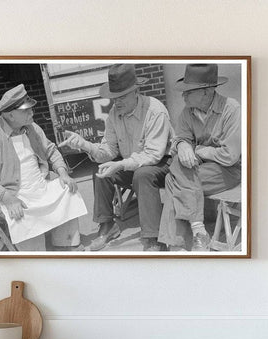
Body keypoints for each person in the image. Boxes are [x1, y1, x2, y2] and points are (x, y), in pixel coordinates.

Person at [59, 64, 173, 251]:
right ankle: (107, 225)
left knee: (142, 175)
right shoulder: (114, 114)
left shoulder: (155, 110)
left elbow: (153, 154)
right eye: (113, 98)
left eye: (122, 97)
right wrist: (84, 144)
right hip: (132, 163)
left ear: (136, 91)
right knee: (102, 171)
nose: (117, 102)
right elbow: (109, 151)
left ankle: (154, 238)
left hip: (162, 163)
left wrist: (120, 165)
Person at [0, 84, 87, 251]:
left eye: (31, 109)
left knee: (68, 189)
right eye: (26, 111)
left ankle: (65, 244)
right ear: (10, 115)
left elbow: (51, 150)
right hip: (12, 193)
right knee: (21, 215)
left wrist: (63, 173)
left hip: (39, 184)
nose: (31, 113)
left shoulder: (32, 127)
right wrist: (8, 198)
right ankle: (35, 255)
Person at [158, 64, 241, 251]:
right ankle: (198, 233)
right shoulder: (187, 112)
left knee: (172, 180)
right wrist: (183, 145)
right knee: (178, 168)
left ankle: (180, 242)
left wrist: (199, 150)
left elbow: (230, 156)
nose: (183, 96)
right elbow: (179, 138)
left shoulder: (232, 109)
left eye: (188, 91)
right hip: (200, 169)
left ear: (206, 91)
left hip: (230, 170)